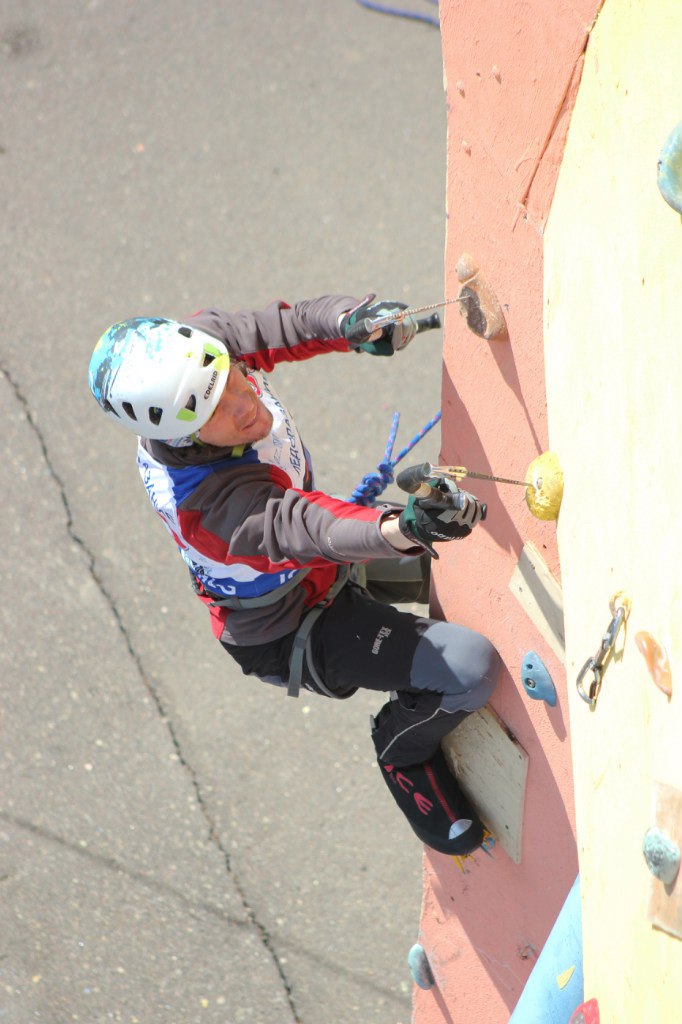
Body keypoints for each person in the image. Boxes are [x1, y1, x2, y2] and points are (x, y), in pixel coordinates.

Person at [88, 293, 501, 855]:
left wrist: (349, 323)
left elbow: (270, 329)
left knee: (477, 561)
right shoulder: (208, 508)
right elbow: (304, 529)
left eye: (235, 378)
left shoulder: (195, 358)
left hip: (322, 565)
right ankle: (401, 750)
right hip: (293, 625)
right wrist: (402, 529)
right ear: (183, 436)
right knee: (471, 668)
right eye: (220, 412)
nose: (246, 401)